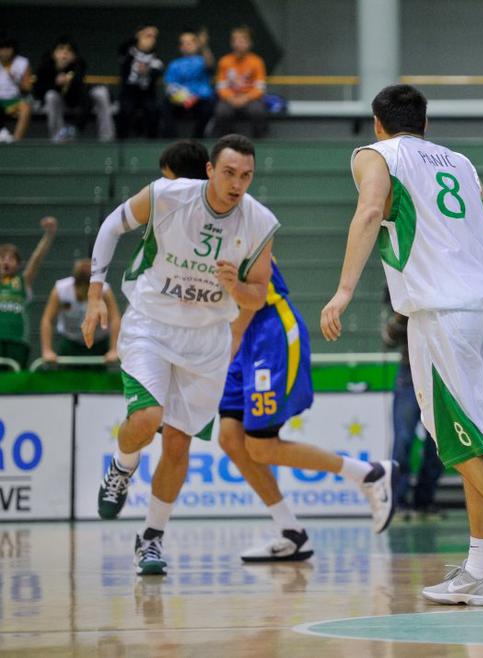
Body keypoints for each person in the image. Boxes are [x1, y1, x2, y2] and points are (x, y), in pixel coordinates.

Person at [320, 83, 483, 607]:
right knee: (480, 446)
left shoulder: (376, 154)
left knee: (463, 447)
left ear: (378, 124)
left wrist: (344, 290)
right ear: (425, 124)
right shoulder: (459, 163)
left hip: (443, 315)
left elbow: (370, 212)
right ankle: (479, 571)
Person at [83, 134, 396, 576]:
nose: (236, 183)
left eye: (244, 175)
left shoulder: (253, 223)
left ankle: (367, 474)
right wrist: (96, 292)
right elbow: (117, 225)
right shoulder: (171, 202)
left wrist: (231, 327)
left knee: (256, 443)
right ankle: (291, 529)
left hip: (261, 332)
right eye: (229, 173)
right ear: (208, 173)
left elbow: (255, 298)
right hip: (195, 330)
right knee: (229, 438)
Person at [383, 306, 444, 518]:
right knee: (403, 439)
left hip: (442, 373)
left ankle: (425, 500)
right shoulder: (398, 293)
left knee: (439, 442)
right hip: (409, 373)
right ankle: (397, 501)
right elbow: (388, 338)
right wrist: (404, 313)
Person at [0, 217, 57, 370]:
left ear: (18, 264)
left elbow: (36, 260)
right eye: (2, 258)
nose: (6, 262)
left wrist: (48, 235)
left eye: (11, 258)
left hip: (17, 342)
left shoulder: (22, 282)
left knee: (15, 378)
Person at [33, 36, 114, 142]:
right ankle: (57, 138)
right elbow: (38, 91)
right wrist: (56, 84)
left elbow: (83, 95)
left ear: (74, 56)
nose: (65, 53)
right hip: (59, 102)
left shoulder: (78, 65)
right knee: (51, 95)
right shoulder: (45, 66)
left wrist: (77, 125)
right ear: (53, 53)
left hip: (78, 101)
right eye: (61, 49)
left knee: (101, 92)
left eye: (69, 50)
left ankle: (107, 138)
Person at [40, 258, 120, 364]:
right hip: (70, 341)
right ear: (75, 283)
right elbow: (47, 319)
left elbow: (115, 319)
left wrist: (114, 349)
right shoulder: (61, 289)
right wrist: (47, 350)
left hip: (98, 343)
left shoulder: (104, 290)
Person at [161, 27, 216, 139]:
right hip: (180, 100)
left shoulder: (202, 60)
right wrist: (182, 97)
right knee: (166, 105)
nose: (186, 45)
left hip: (201, 100)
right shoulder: (174, 64)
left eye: (190, 42)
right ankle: (172, 141)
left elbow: (210, 64)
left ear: (197, 44)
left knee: (208, 107)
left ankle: (198, 139)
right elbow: (168, 85)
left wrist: (204, 46)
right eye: (183, 43)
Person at [213, 26, 267, 138]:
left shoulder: (257, 61)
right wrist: (231, 98)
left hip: (250, 98)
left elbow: (260, 88)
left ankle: (258, 141)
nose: (238, 44)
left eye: (242, 41)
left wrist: (246, 98)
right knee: (222, 111)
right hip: (230, 98)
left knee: (258, 111)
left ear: (249, 43)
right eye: (235, 40)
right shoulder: (224, 61)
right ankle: (228, 141)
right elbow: (221, 87)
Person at [116, 24, 164, 140]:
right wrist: (138, 36)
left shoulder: (156, 58)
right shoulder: (129, 52)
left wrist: (147, 71)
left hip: (147, 93)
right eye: (147, 36)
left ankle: (152, 142)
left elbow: (156, 72)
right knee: (125, 110)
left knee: (153, 110)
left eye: (153, 37)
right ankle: (121, 141)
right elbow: (122, 51)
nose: (150, 40)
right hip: (129, 92)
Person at [0, 35, 32, 143]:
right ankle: (2, 132)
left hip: (14, 101)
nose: (4, 51)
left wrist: (16, 80)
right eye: (1, 48)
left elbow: (28, 88)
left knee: (26, 108)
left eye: (8, 48)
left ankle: (16, 142)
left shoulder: (22, 62)